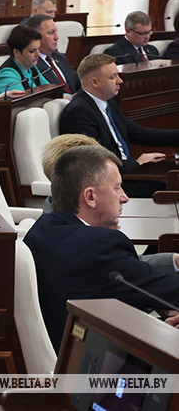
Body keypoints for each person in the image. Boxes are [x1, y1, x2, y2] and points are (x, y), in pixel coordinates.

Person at [23, 145, 179, 351]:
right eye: (117, 187)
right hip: (93, 358)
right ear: (90, 197)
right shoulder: (100, 246)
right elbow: (164, 289)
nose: (125, 197)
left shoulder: (43, 228)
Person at [59, 53, 179, 197]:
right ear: (95, 82)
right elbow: (94, 161)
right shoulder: (79, 112)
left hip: (126, 175)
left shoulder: (108, 103)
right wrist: (137, 164)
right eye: (113, 77)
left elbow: (140, 134)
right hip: (109, 185)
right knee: (171, 187)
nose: (120, 81)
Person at [24, 14, 81, 95]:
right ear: (35, 36)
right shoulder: (31, 64)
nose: (57, 37)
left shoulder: (60, 57)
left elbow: (77, 83)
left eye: (56, 32)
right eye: (51, 33)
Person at [0, 25, 49, 95]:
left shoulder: (31, 68)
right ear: (16, 52)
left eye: (38, 49)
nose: (38, 54)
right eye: (32, 51)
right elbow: (24, 100)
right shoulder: (6, 75)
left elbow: (50, 91)